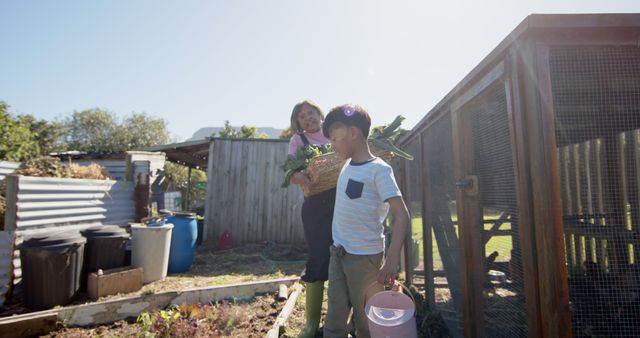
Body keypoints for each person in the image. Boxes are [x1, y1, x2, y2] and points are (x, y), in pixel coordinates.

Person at [321, 104, 409, 338]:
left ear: (353, 133)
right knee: (334, 318)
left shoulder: (379, 170)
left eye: (335, 138)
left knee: (366, 322)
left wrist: (390, 262)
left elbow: (401, 215)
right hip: (337, 253)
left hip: (365, 260)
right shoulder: (346, 165)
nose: (332, 145)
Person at [287, 100, 335, 338]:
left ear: (320, 114)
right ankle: (311, 324)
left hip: (344, 201)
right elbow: (291, 172)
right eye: (302, 116)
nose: (308, 118)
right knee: (318, 256)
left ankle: (339, 320)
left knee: (343, 257)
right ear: (297, 122)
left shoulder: (335, 134)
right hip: (315, 204)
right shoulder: (298, 141)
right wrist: (300, 177)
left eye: (311, 113)